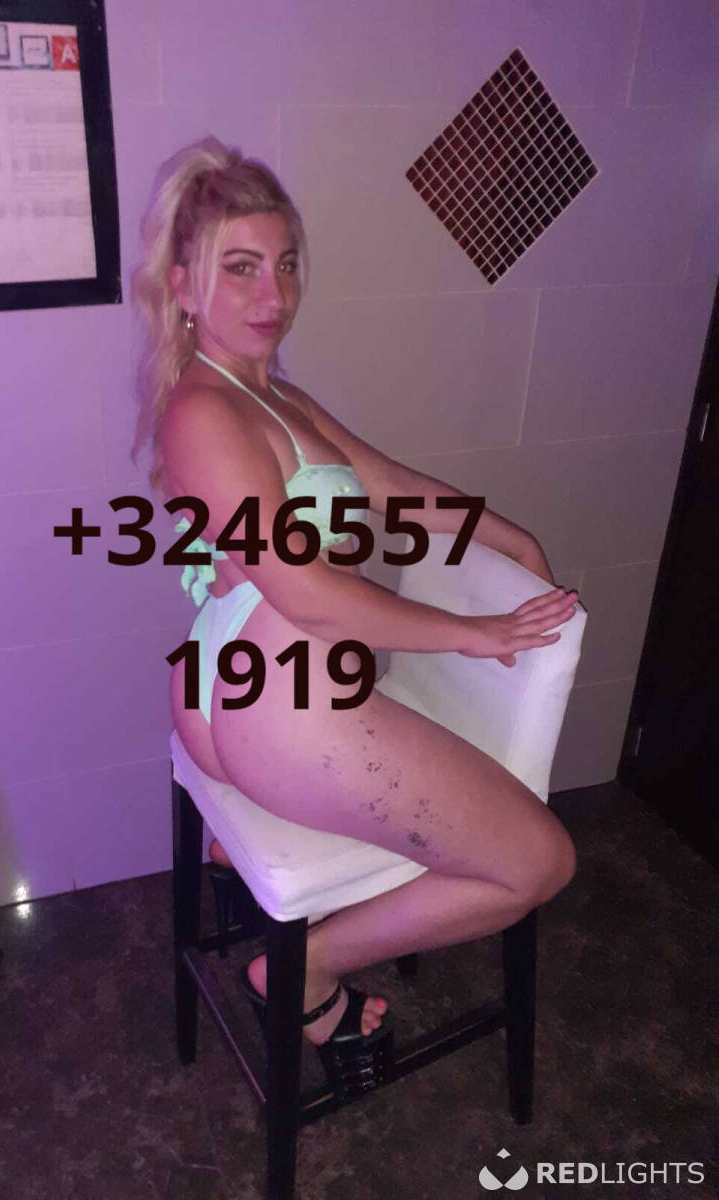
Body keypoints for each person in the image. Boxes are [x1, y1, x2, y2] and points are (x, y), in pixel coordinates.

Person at [130, 136, 578, 1092]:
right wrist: (473, 633)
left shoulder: (269, 392)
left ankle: (247, 867)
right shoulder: (203, 413)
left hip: (249, 681)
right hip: (279, 706)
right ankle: (305, 970)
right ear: (182, 287)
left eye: (286, 264)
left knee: (484, 824)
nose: (274, 294)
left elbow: (387, 486)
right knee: (538, 863)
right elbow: (303, 589)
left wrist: (508, 538)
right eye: (240, 268)